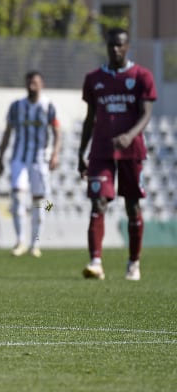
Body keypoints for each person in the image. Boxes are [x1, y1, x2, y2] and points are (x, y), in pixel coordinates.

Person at [78, 27, 157, 281]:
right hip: (101, 151)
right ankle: (95, 262)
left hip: (132, 152)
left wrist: (129, 136)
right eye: (111, 44)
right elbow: (90, 118)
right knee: (98, 202)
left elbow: (146, 114)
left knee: (132, 207)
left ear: (127, 46)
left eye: (119, 45)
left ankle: (133, 263)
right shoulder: (94, 79)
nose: (115, 49)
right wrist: (82, 151)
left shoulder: (142, 76)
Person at [0, 71, 61, 258]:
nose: (32, 85)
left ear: (42, 84)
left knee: (41, 203)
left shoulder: (48, 106)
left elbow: (57, 131)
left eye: (35, 82)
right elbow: (8, 132)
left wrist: (55, 154)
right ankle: (20, 242)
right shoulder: (16, 106)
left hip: (40, 160)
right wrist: (0, 157)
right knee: (17, 197)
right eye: (29, 82)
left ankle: (36, 243)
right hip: (19, 159)